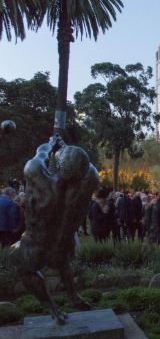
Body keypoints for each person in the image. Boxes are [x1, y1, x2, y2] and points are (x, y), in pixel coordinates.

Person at [9, 136, 98, 324]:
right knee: (64, 264)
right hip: (62, 246)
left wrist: (52, 145)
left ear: (60, 165)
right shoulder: (90, 181)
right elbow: (87, 168)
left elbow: (40, 154)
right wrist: (66, 148)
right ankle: (73, 296)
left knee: (20, 263)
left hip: (36, 244)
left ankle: (53, 309)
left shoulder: (36, 174)